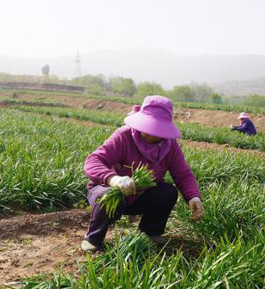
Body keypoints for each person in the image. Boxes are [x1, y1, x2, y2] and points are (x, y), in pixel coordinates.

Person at [82, 95, 204, 252]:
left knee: (167, 191)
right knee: (108, 195)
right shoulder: (124, 136)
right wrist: (113, 179)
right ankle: (93, 238)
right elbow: (93, 160)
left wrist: (193, 197)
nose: (150, 133)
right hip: (110, 192)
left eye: (157, 129)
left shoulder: (170, 145)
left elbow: (183, 174)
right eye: (148, 126)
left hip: (139, 196)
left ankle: (150, 233)